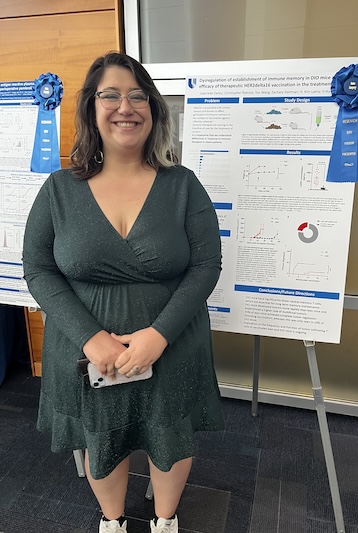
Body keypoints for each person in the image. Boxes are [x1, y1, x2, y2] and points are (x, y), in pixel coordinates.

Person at [22, 51, 224, 533]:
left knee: (169, 434)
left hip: (172, 343)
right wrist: (91, 337)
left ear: (153, 110)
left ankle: (164, 520)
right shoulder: (58, 190)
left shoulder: (183, 186)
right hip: (86, 349)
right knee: (101, 436)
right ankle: (112, 522)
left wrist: (159, 335)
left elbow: (206, 265)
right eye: (109, 95)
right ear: (92, 108)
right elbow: (38, 269)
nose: (124, 107)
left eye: (138, 96)